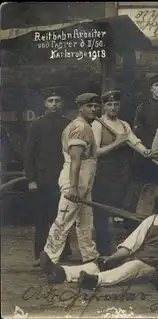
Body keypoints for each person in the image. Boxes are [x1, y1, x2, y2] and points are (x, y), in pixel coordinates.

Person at [40, 185, 158, 291]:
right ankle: (62, 272)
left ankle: (95, 280)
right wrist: (111, 258)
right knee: (102, 263)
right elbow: (130, 246)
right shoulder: (151, 220)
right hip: (140, 257)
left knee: (132, 266)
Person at [41, 93, 101, 266]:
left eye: (97, 106)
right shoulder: (79, 127)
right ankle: (49, 258)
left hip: (84, 182)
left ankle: (90, 257)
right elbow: (76, 161)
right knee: (64, 220)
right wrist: (73, 188)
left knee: (85, 221)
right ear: (80, 108)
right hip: (74, 181)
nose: (94, 109)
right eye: (89, 106)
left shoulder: (84, 126)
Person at [91, 90, 152, 256]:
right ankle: (102, 249)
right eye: (109, 104)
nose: (113, 108)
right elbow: (95, 152)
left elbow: (134, 141)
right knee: (102, 211)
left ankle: (121, 249)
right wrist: (116, 144)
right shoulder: (97, 124)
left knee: (120, 210)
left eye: (116, 104)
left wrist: (145, 151)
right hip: (104, 173)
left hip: (122, 172)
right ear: (104, 107)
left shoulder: (124, 124)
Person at [23, 86, 73, 267]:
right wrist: (31, 179)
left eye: (57, 101)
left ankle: (63, 252)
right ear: (45, 103)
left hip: (64, 177)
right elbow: (29, 153)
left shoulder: (69, 124)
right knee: (44, 217)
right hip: (44, 179)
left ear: (62, 103)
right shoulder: (37, 124)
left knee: (62, 215)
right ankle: (41, 254)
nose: (54, 104)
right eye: (50, 101)